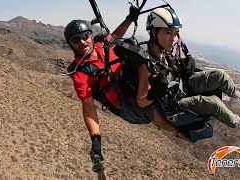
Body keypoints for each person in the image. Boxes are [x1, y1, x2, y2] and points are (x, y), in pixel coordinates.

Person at [64, 6, 186, 170]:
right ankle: (179, 133)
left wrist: (130, 18)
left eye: (85, 36)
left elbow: (115, 36)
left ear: (91, 36)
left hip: (133, 84)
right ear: (70, 44)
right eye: (75, 40)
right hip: (126, 105)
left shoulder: (102, 45)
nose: (82, 42)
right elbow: (88, 108)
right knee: (150, 110)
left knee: (146, 61)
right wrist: (96, 139)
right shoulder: (81, 74)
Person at [136, 6, 240, 137]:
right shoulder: (147, 64)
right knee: (212, 103)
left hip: (181, 87)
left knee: (219, 75)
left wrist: (188, 60)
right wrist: (153, 92)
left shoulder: (164, 53)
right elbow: (141, 101)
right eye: (168, 33)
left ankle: (237, 98)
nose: (173, 39)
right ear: (154, 33)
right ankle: (238, 122)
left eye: (175, 33)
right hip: (174, 104)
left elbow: (172, 67)